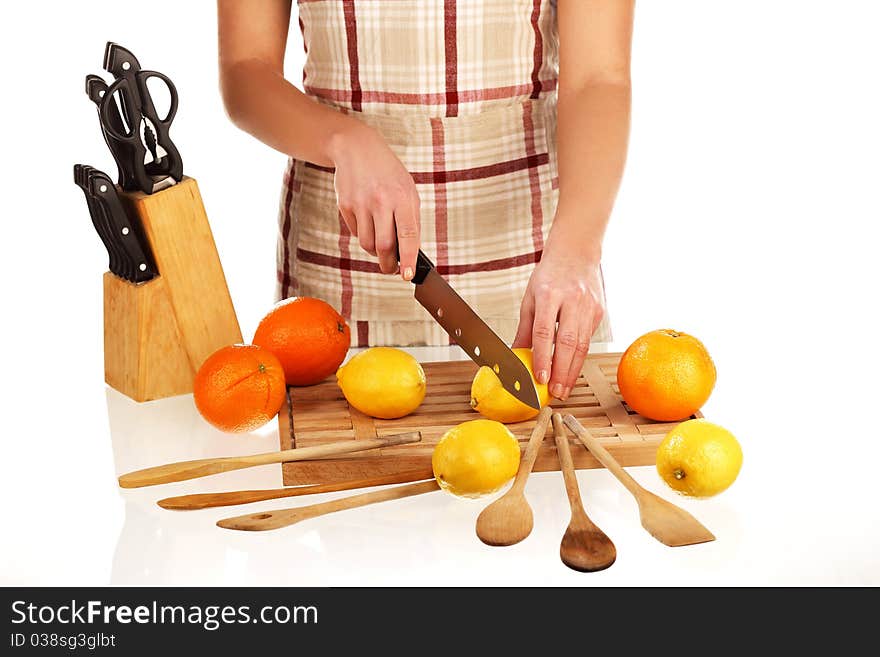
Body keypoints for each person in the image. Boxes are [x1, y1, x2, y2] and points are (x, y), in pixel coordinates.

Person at [217, 0, 633, 402]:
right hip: (337, 276)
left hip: (535, 271)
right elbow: (245, 70)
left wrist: (577, 249)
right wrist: (342, 139)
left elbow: (600, 76)